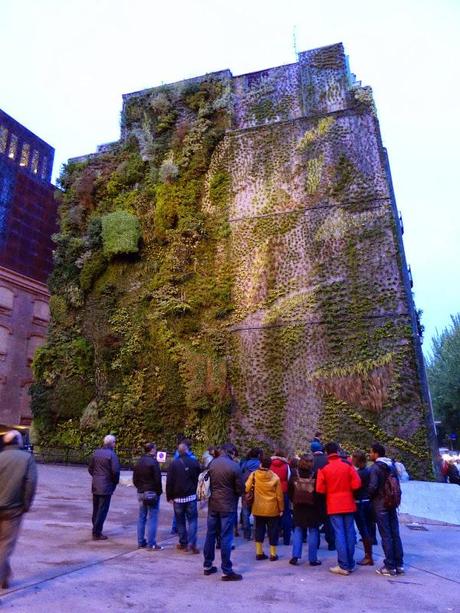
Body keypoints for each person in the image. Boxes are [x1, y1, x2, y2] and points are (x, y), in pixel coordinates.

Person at [316, 441, 361, 575]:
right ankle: (350, 563)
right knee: (350, 533)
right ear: (338, 451)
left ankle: (343, 565)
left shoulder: (324, 468)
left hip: (334, 504)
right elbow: (357, 484)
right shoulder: (348, 466)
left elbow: (319, 489)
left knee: (339, 534)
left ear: (326, 453)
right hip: (348, 503)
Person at [0, 430, 37, 589]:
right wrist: (26, 504)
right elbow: (31, 483)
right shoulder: (26, 458)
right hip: (13, 509)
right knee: (5, 545)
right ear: (18, 442)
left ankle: (5, 577)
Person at [203, 443, 244, 581]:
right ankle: (226, 570)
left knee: (210, 534)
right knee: (226, 537)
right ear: (231, 452)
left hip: (213, 504)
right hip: (228, 506)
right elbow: (240, 489)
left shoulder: (212, 463)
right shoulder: (234, 466)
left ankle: (207, 565)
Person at [368, 442, 404, 576]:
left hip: (380, 504)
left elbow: (372, 487)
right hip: (392, 503)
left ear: (376, 453)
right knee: (395, 533)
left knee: (386, 535)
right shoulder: (392, 466)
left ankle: (389, 566)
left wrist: (369, 497)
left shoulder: (375, 468)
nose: (369, 454)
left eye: (371, 452)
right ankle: (399, 564)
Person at [288, 454, 324, 566]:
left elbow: (290, 490)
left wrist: (294, 500)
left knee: (298, 530)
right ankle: (312, 559)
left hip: (298, 506)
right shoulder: (315, 474)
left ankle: (295, 556)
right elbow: (319, 491)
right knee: (313, 531)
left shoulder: (294, 473)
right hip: (312, 506)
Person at [247, 455, 284, 561]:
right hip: (272, 509)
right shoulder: (275, 477)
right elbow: (279, 496)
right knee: (273, 531)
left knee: (259, 529)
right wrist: (281, 509)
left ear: (260, 463)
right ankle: (273, 553)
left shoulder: (253, 475)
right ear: (270, 465)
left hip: (258, 507)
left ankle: (259, 552)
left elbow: (247, 487)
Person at [166, 442, 201, 553]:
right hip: (191, 496)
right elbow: (198, 478)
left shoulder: (173, 464)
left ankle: (183, 542)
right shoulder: (194, 462)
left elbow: (169, 482)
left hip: (178, 498)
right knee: (192, 520)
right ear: (187, 450)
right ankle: (192, 543)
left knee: (180, 521)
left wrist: (169, 496)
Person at [88, 434, 120, 540]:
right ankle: (97, 532)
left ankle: (95, 528)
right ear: (112, 443)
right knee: (102, 510)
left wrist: (96, 476)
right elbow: (115, 471)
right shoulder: (112, 455)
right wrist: (114, 483)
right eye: (115, 442)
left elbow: (90, 469)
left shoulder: (96, 453)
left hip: (96, 484)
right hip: (106, 486)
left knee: (96, 509)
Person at [133, 442, 163, 550]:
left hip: (141, 491)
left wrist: (139, 488)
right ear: (152, 450)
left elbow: (134, 479)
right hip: (151, 492)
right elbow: (157, 479)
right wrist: (159, 492)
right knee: (152, 517)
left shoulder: (139, 461)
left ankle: (141, 542)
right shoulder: (153, 463)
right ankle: (151, 543)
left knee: (142, 516)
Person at [351, 450, 375, 565]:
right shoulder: (368, 471)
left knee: (363, 529)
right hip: (368, 501)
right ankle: (369, 554)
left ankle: (368, 556)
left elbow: (354, 488)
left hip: (360, 503)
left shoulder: (360, 474)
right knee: (368, 528)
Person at [311, 441, 335, 551]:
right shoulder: (327, 460)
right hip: (328, 493)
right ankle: (331, 543)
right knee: (328, 519)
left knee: (315, 520)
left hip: (314, 494)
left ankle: (316, 543)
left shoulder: (310, 460)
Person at [270, 448, 292, 545]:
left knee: (274, 515)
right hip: (283, 490)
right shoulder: (286, 465)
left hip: (272, 491)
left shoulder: (270, 464)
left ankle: (274, 538)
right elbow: (288, 478)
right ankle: (287, 539)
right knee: (286, 514)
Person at [240, 448, 262, 540]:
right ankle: (256, 533)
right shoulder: (260, 465)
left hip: (246, 490)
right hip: (258, 490)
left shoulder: (245, 464)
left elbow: (239, 475)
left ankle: (247, 534)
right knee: (257, 513)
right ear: (258, 455)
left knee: (245, 512)